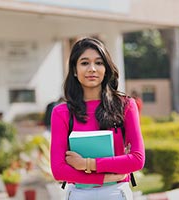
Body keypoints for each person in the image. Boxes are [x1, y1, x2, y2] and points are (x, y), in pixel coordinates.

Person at [50, 37, 145, 200]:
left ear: (106, 68)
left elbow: (137, 159)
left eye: (99, 63)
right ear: (74, 69)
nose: (92, 69)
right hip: (78, 194)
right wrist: (104, 177)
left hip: (116, 193)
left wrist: (87, 164)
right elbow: (58, 170)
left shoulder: (126, 106)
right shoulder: (61, 112)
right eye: (85, 63)